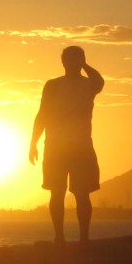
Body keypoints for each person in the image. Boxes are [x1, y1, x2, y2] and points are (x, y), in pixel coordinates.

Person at [29, 46, 104, 244]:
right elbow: (42, 114)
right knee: (57, 191)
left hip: (82, 147)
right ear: (63, 62)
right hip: (56, 146)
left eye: (77, 59)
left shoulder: (89, 85)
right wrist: (32, 143)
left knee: (82, 193)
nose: (73, 63)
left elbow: (100, 81)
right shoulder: (53, 85)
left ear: (82, 61)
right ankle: (59, 236)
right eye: (70, 60)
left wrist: (84, 64)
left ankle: (84, 237)